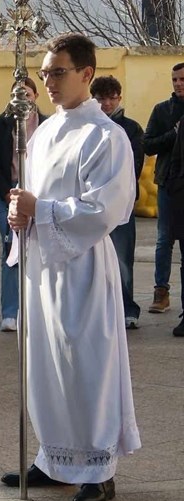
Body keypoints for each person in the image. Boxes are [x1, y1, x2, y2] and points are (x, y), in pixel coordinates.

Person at [3, 33, 139, 501]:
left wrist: (39, 209)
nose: (49, 81)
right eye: (44, 73)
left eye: (57, 72)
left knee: (86, 367)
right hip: (42, 266)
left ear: (86, 73)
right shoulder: (42, 132)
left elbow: (106, 209)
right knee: (46, 364)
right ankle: (55, 458)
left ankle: (98, 470)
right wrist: (20, 212)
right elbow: (31, 195)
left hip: (82, 269)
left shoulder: (106, 136)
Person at [0, 78, 47, 332]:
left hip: (38, 196)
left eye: (28, 94)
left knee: (38, 251)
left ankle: (36, 311)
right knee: (12, 250)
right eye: (17, 94)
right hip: (6, 196)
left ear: (35, 96)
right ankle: (10, 312)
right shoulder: (0, 126)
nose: (23, 99)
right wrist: (7, 194)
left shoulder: (47, 125)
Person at [91, 76, 145, 329]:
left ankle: (127, 309)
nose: (107, 103)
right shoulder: (88, 125)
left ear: (119, 98)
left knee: (123, 258)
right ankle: (99, 309)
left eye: (111, 98)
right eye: (101, 98)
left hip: (121, 203)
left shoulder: (130, 128)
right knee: (92, 259)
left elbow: (133, 167)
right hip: (90, 203)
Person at [143, 62, 184, 314]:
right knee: (164, 239)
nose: (178, 84)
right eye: (175, 80)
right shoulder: (162, 110)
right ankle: (161, 292)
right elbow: (148, 145)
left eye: (182, 79)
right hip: (169, 183)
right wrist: (175, 133)